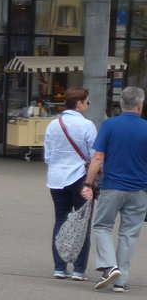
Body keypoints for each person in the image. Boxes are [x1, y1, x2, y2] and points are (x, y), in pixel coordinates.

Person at [81, 86, 147, 292]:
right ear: (140, 105)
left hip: (112, 187)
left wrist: (88, 182)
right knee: (129, 234)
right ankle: (120, 282)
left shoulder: (109, 125)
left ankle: (110, 266)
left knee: (102, 227)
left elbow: (98, 158)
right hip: (139, 190)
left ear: (120, 104)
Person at [43, 88, 97, 280]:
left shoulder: (53, 124)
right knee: (82, 223)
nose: (88, 105)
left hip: (56, 179)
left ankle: (59, 267)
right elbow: (94, 156)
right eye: (87, 102)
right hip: (80, 178)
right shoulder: (87, 125)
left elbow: (48, 156)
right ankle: (79, 270)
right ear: (80, 104)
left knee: (60, 220)